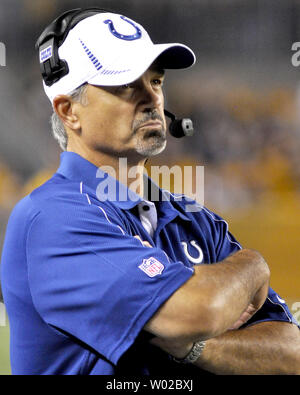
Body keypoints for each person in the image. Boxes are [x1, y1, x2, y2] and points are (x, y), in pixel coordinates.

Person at [1, 8, 299, 376]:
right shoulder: (51, 218)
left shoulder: (196, 218)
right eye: (125, 84)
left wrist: (195, 346)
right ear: (68, 111)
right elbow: (198, 312)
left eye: (155, 81)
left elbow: (291, 353)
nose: (152, 98)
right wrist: (252, 266)